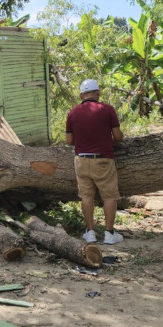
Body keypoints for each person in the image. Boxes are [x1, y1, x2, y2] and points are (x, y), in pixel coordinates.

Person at [65, 79, 124, 244]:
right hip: (103, 160)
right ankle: (109, 233)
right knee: (109, 196)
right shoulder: (108, 110)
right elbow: (117, 136)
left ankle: (90, 232)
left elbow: (69, 140)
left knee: (86, 195)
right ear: (98, 92)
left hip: (81, 160)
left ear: (81, 95)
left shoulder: (73, 113)